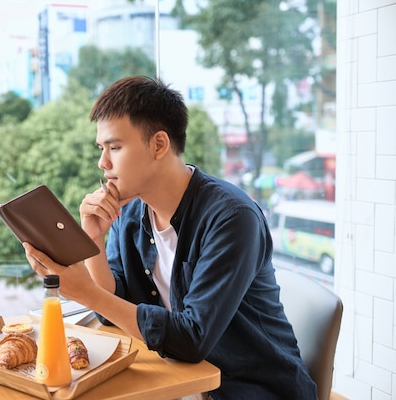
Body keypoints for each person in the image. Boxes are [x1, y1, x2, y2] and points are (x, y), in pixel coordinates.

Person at [23, 76, 318, 399]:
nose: (102, 163)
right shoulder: (132, 213)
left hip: (251, 389)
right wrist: (92, 240)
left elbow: (191, 338)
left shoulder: (232, 218)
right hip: (180, 382)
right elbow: (115, 305)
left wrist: (86, 293)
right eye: (101, 148)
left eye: (115, 147)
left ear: (159, 144)